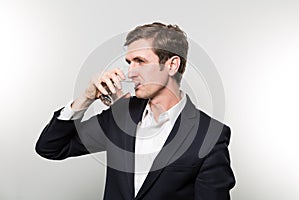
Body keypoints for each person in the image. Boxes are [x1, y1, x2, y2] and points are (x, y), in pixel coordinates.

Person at [36, 22, 235, 200]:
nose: (131, 72)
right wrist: (86, 97)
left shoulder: (211, 135)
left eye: (140, 61)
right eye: (129, 63)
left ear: (172, 65)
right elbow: (51, 147)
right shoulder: (120, 115)